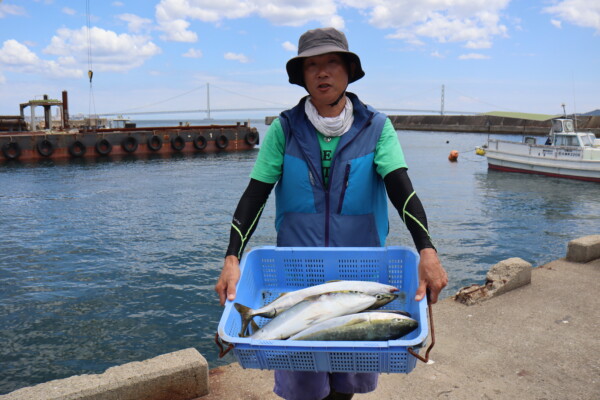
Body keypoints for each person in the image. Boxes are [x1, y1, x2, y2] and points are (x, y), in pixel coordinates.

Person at [215, 27, 448, 400]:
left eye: (331, 63)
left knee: (348, 379)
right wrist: (231, 258)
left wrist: (428, 251)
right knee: (303, 382)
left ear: (348, 71)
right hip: (297, 276)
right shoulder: (284, 129)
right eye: (312, 65)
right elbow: (254, 196)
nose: (322, 72)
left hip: (362, 275)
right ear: (303, 76)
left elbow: (401, 190)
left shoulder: (377, 127)